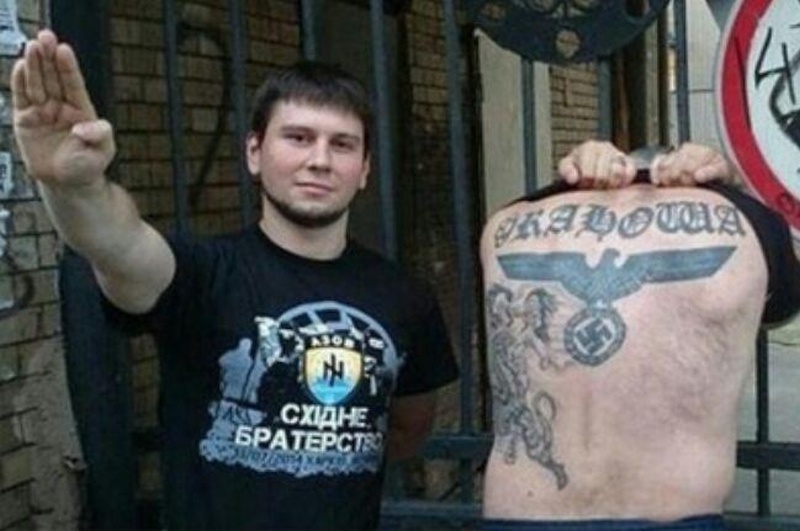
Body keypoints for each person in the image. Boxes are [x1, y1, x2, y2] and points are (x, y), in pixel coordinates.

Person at [12, 29, 459, 530]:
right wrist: (76, 188)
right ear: (254, 152)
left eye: (342, 144)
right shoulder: (201, 273)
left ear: (365, 168)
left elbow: (407, 428)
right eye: (298, 138)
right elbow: (117, 245)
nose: (319, 160)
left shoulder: (405, 297)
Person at [480, 140, 800, 530]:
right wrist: (734, 185)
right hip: (673, 514)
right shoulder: (751, 226)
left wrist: (564, 181)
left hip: (521, 514)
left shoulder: (504, 225)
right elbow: (780, 307)